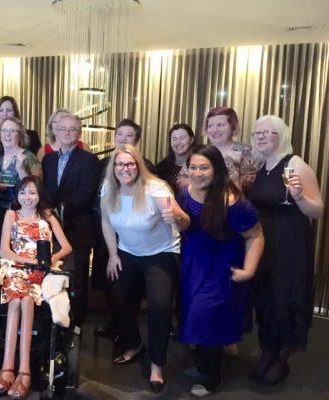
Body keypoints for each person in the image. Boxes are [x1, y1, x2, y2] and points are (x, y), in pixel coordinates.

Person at [100, 144, 189, 393]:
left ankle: (157, 364)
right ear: (113, 168)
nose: (125, 168)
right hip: (127, 251)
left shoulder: (156, 189)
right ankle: (134, 344)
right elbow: (106, 221)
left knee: (160, 306)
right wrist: (113, 254)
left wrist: (176, 218)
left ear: (138, 165)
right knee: (117, 296)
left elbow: (184, 223)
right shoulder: (109, 188)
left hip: (161, 253)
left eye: (130, 164)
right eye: (120, 164)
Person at [178, 144, 264, 397]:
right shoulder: (184, 192)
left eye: (204, 168)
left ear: (217, 170)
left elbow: (256, 236)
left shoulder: (232, 201)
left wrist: (249, 270)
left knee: (207, 320)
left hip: (221, 268)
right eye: (193, 167)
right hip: (193, 265)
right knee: (193, 317)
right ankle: (204, 365)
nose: (197, 173)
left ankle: (212, 377)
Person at [248, 115, 323, 385]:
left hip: (290, 241)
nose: (261, 136)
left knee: (285, 297)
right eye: (257, 133)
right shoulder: (261, 165)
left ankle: (281, 359)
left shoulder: (295, 163)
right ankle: (267, 353)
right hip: (264, 240)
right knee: (266, 298)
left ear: (282, 136)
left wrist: (300, 197)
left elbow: (318, 210)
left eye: (267, 132)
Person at [0, 176, 72, 399]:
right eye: (23, 192)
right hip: (15, 267)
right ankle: (8, 369)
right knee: (17, 300)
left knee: (26, 300)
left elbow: (67, 246)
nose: (27, 197)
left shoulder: (47, 215)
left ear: (39, 195)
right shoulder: (11, 215)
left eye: (32, 192)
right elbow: (4, 251)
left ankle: (23, 372)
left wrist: (50, 259)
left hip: (39, 270)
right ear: (17, 195)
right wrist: (28, 261)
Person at [92, 118, 156, 337]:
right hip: (106, 230)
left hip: (132, 236)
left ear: (136, 141)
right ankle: (115, 324)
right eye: (119, 134)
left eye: (129, 135)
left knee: (128, 286)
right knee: (108, 281)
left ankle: (127, 330)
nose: (123, 139)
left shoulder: (146, 166)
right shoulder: (104, 164)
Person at [42, 113, 100, 327]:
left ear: (79, 133)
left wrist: (55, 210)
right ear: (55, 132)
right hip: (52, 228)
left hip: (78, 229)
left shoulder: (89, 160)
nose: (67, 132)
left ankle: (77, 324)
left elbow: (85, 193)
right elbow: (45, 191)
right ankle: (55, 321)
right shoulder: (48, 160)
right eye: (63, 128)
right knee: (54, 274)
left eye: (72, 129)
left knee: (78, 278)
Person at [0, 116, 42, 230]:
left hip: (19, 217)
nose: (7, 134)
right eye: (4, 130)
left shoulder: (29, 157)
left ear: (20, 135)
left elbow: (36, 191)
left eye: (12, 131)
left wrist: (21, 169)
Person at [0, 96, 41, 174]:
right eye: (1, 110)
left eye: (9, 110)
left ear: (15, 113)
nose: (5, 114)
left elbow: (37, 170)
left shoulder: (31, 136)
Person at [202, 106, 259, 193]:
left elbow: (246, 186)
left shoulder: (245, 151)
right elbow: (183, 179)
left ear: (232, 127)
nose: (214, 130)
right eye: (210, 126)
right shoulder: (202, 152)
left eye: (220, 125)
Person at [156, 123, 196, 194]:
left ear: (191, 139)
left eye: (182, 138)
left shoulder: (199, 164)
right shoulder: (162, 167)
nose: (178, 142)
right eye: (174, 139)